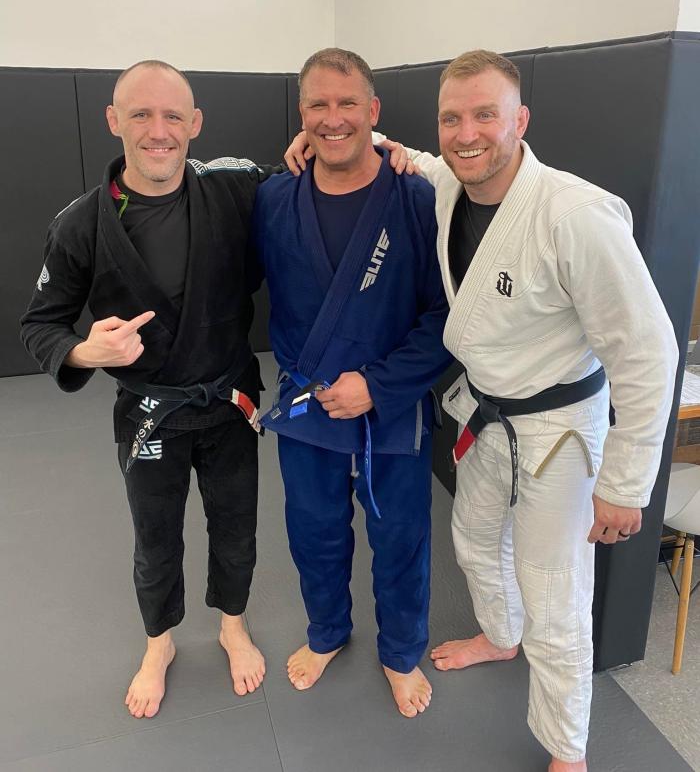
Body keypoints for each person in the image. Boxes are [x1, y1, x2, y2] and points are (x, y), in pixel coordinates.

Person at [286, 49, 678, 770]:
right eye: (452, 119)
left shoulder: (574, 214)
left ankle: (568, 748)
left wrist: (626, 482)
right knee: (471, 539)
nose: (467, 134)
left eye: (485, 116)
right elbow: (396, 151)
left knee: (553, 590)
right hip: (489, 412)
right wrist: (329, 138)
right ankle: (500, 636)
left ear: (520, 120)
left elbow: (648, 352)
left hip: (560, 428)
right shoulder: (446, 184)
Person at [20, 60, 283, 720]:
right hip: (149, 414)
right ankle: (159, 641)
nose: (158, 130)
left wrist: (384, 152)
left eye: (172, 116)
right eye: (141, 114)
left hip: (229, 403)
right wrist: (87, 350)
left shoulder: (233, 187)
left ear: (195, 124)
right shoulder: (80, 224)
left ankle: (232, 625)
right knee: (156, 538)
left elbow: (313, 173)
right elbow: (41, 324)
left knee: (237, 527)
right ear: (114, 120)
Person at [252, 47, 452, 718]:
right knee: (314, 531)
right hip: (307, 400)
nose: (333, 118)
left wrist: (378, 385)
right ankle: (328, 632)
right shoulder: (274, 198)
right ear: (301, 113)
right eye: (318, 104)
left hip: (390, 402)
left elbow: (443, 315)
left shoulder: (417, 196)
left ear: (373, 110)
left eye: (348, 103)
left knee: (401, 537)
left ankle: (400, 651)